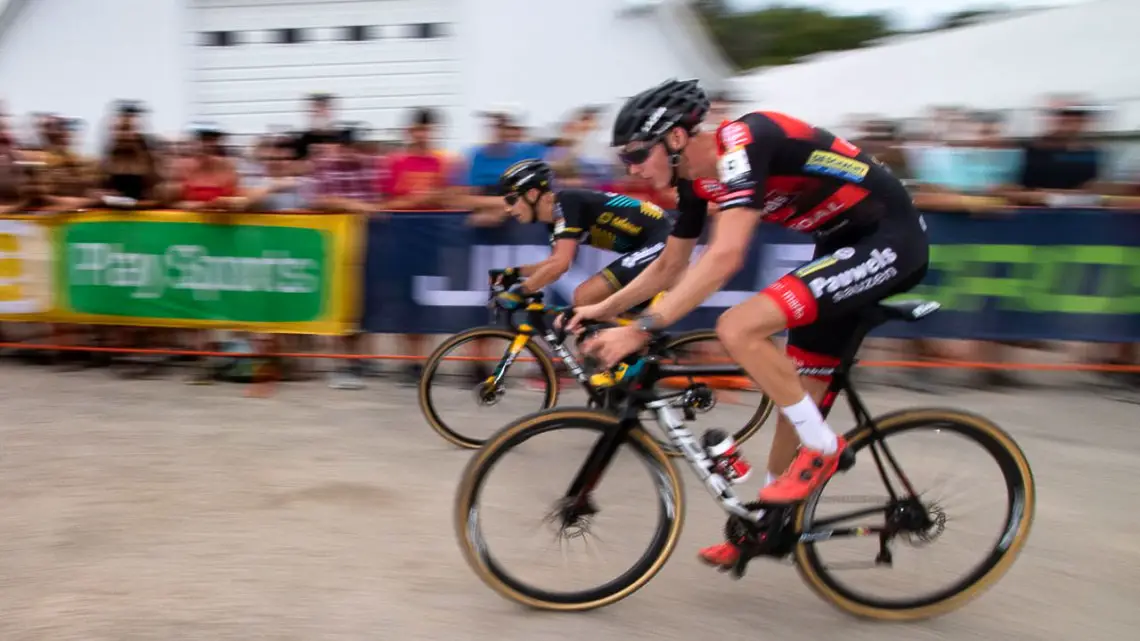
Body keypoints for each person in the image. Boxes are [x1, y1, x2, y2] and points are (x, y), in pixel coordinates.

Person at [571, 78, 930, 569]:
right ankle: (769, 523)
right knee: (794, 391)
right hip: (839, 244)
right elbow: (670, 267)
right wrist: (606, 308)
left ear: (676, 138)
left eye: (636, 154)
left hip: (890, 237)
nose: (630, 167)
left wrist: (639, 330)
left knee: (738, 327)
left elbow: (725, 257)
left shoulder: (742, 142)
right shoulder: (698, 181)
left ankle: (825, 449)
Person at [492, 158, 673, 312]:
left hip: (663, 239)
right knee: (597, 315)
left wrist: (521, 292)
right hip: (651, 241)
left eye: (511, 199)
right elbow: (553, 263)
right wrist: (515, 273)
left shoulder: (567, 203)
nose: (507, 209)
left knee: (585, 297)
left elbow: (560, 265)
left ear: (532, 194)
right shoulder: (555, 219)